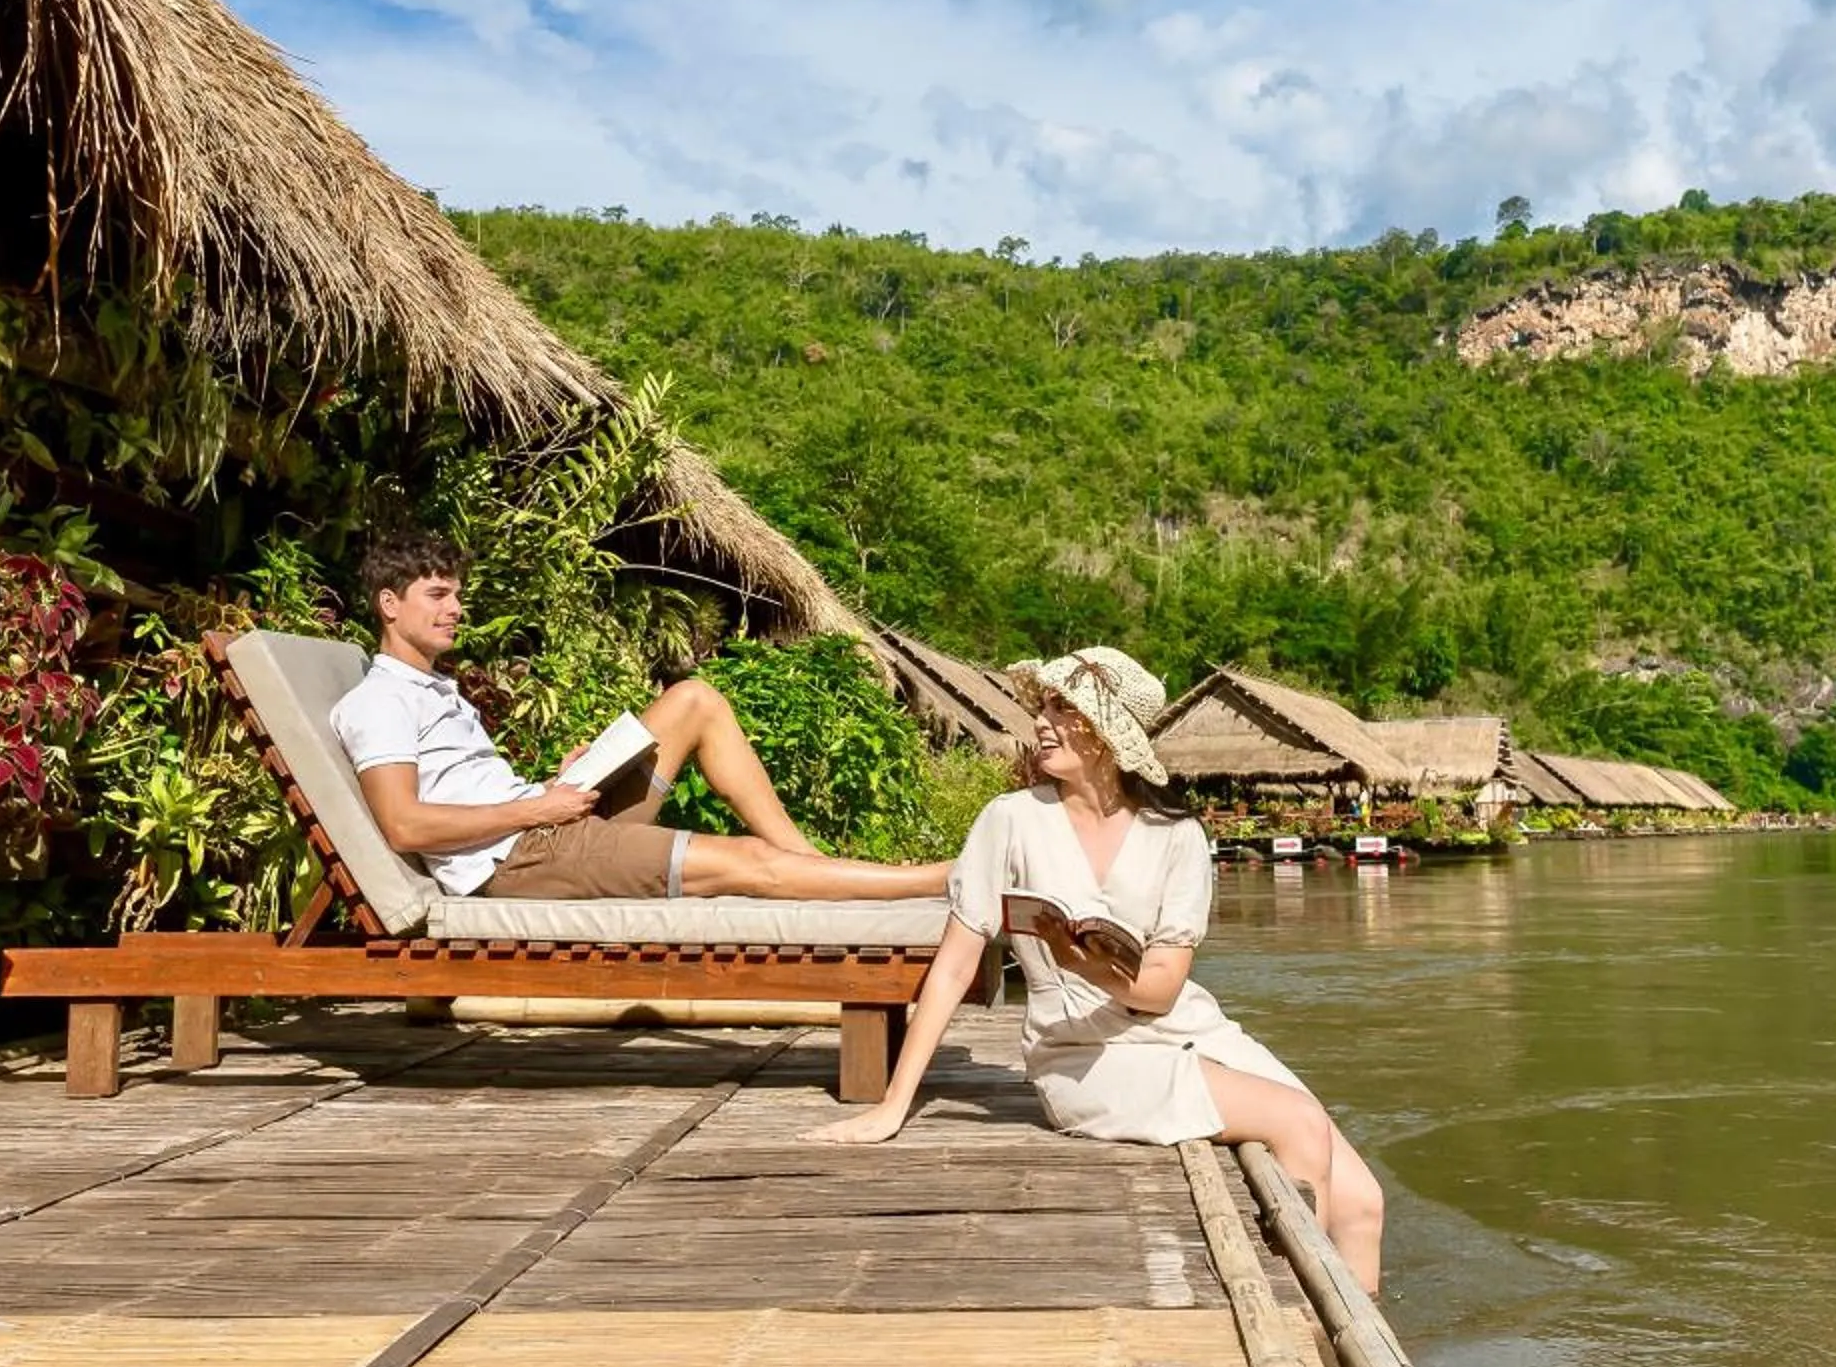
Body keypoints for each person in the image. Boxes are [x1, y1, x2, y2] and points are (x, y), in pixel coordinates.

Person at [803, 645, 1386, 1292]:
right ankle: (1303, 1316)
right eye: (1043, 707)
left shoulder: (1177, 835)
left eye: (1064, 709)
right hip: (1079, 1052)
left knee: (1363, 1203)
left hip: (1182, 1026)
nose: (1042, 723)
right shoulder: (1011, 820)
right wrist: (892, 1106)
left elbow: (1162, 991)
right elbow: (951, 968)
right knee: (1298, 1125)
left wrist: (1087, 959)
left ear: (1109, 735)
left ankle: (1354, 1359)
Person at [330, 529, 947, 904]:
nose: (456, 609)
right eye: (438, 596)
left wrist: (550, 785)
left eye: (458, 594)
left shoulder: (434, 689)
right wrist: (536, 809)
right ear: (389, 604)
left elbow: (466, 790)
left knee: (694, 701)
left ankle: (808, 861)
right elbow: (405, 826)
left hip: (539, 828)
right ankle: (932, 881)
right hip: (521, 860)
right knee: (747, 863)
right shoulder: (380, 700)